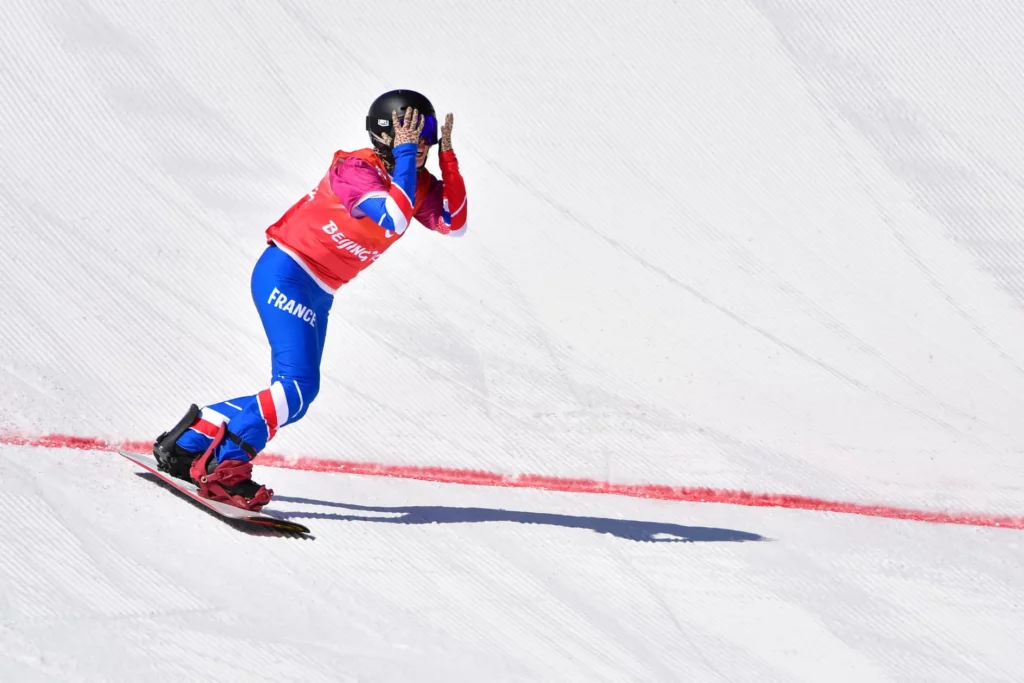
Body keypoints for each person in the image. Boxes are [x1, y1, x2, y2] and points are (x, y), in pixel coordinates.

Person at [151, 89, 468, 510]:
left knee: (297, 397)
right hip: (287, 272)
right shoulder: (354, 168)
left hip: (321, 290)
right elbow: (392, 215)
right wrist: (409, 156)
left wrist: (448, 160)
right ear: (385, 135)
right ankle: (226, 470)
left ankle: (190, 441)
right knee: (296, 389)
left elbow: (454, 222)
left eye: (427, 131)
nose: (422, 141)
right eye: (413, 131)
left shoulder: (417, 181)